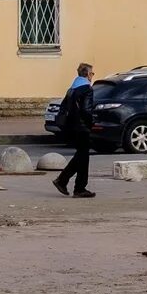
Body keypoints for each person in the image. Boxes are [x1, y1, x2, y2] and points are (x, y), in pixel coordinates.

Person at [53, 70, 96, 198]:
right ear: (88, 74)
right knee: (82, 156)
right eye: (92, 73)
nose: (92, 76)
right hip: (82, 127)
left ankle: (73, 185)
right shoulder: (87, 89)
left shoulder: (72, 88)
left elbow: (65, 107)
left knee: (82, 156)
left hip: (72, 127)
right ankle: (70, 184)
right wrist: (91, 123)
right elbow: (86, 110)